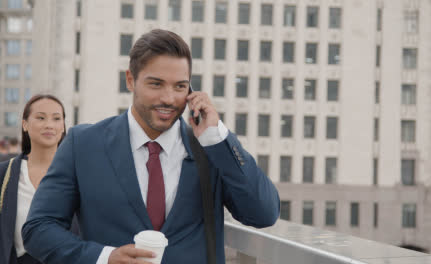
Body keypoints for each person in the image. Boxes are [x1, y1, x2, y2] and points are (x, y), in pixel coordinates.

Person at [22, 29, 280, 264]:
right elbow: (38, 228)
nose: (168, 98)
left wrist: (218, 137)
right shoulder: (83, 144)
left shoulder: (210, 149)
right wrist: (104, 258)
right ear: (131, 80)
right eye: (156, 84)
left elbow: (263, 214)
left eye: (180, 86)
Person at [0, 95, 67, 264]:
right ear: (25, 124)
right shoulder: (5, 173)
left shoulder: (77, 173)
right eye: (41, 117)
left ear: (63, 126)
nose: (49, 125)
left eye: (57, 118)